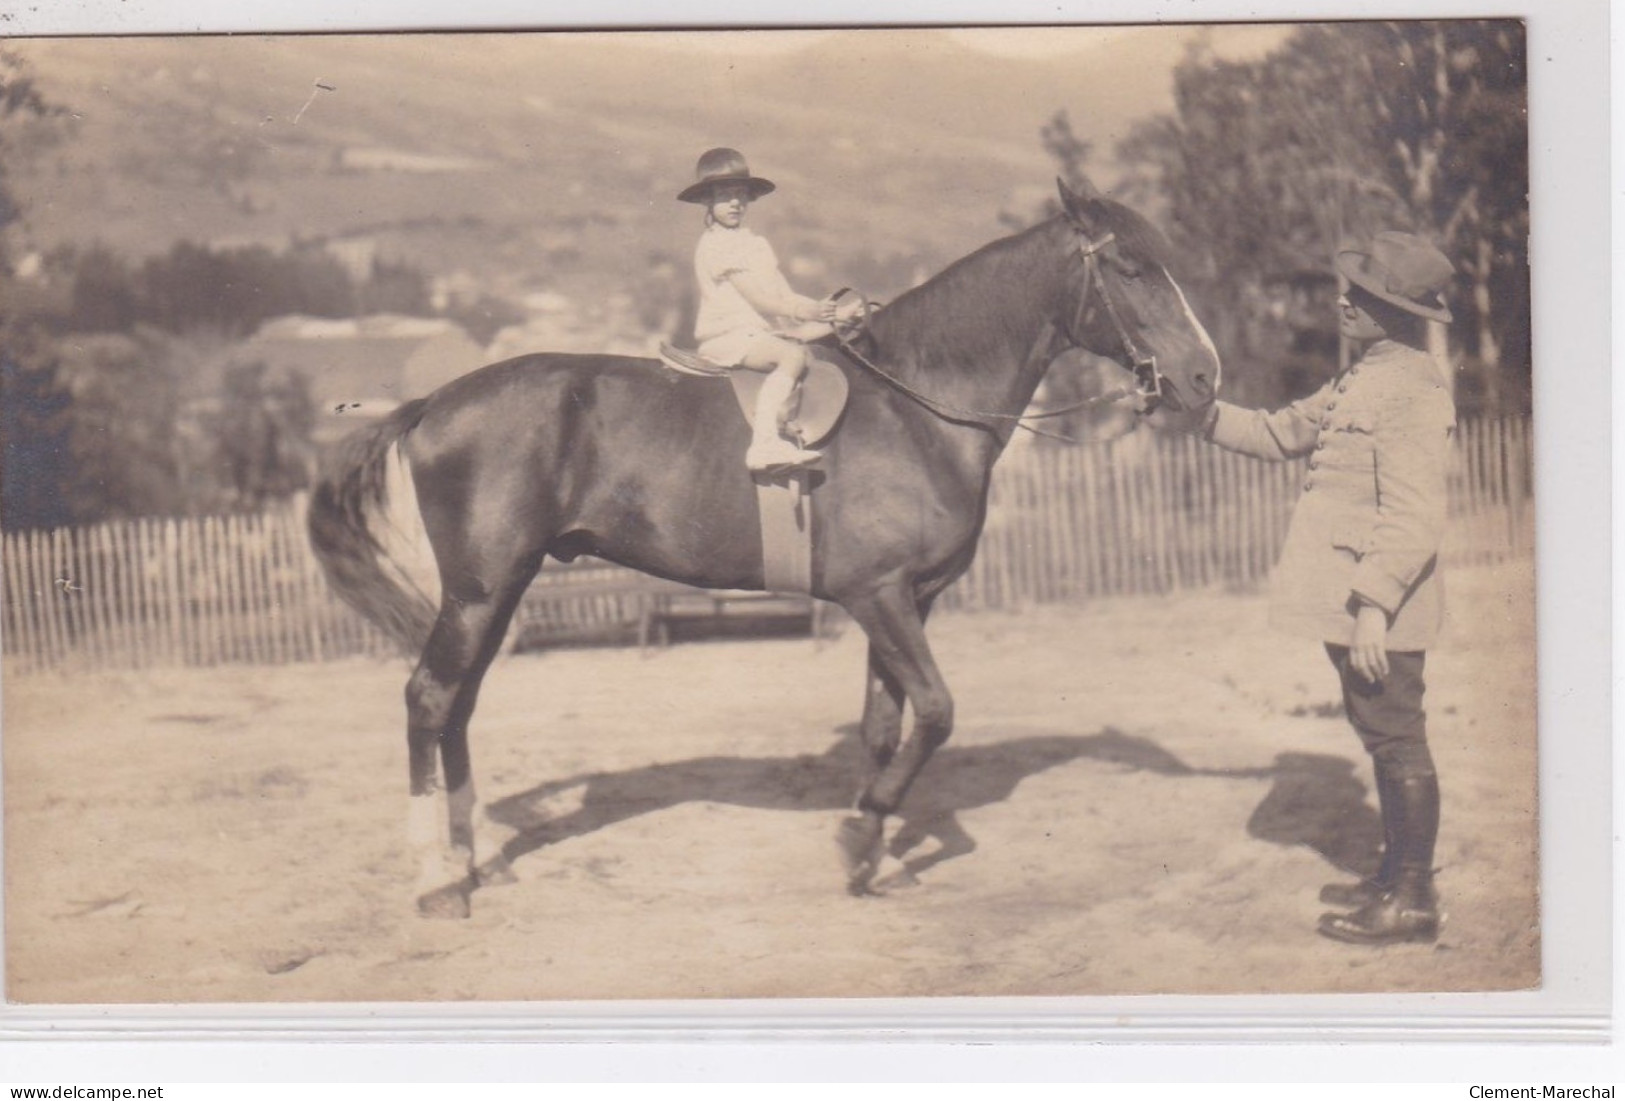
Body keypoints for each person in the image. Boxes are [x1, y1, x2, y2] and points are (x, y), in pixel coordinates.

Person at [1193, 231, 1457, 946]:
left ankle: (1410, 897)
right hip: (1357, 606)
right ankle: (1395, 876)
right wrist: (1197, 412)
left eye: (1363, 297)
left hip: (1381, 608)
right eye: (1350, 291)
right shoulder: (1362, 377)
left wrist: (1373, 606)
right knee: (1380, 735)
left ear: (1398, 311)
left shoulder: (1408, 388)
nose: (1344, 302)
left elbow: (1413, 513)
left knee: (1397, 738)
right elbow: (1279, 433)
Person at [678, 147, 840, 472]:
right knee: (791, 357)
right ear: (708, 202)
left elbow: (784, 295)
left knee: (816, 348)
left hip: (759, 334)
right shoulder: (717, 244)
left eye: (740, 195)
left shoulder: (755, 244)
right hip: (729, 337)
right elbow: (762, 301)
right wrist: (811, 314)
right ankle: (764, 445)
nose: (735, 203)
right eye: (725, 196)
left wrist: (829, 312)